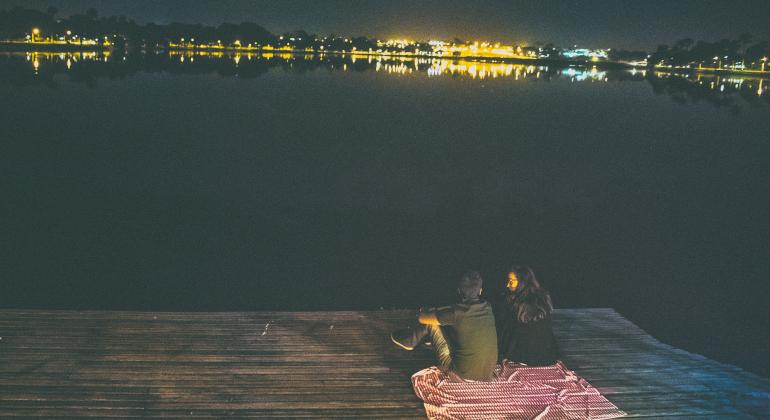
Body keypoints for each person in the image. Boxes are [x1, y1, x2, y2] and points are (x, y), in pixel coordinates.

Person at [390, 271, 498, 381]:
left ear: (459, 291)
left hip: (459, 374)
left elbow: (421, 319)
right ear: (480, 291)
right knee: (450, 326)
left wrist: (424, 311)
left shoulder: (456, 313)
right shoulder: (488, 307)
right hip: (486, 374)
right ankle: (426, 338)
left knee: (431, 324)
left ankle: (410, 341)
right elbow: (456, 309)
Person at [495, 265, 559, 366]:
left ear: (523, 282)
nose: (508, 285)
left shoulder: (524, 303)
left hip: (526, 355)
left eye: (512, 281)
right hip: (547, 354)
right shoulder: (542, 295)